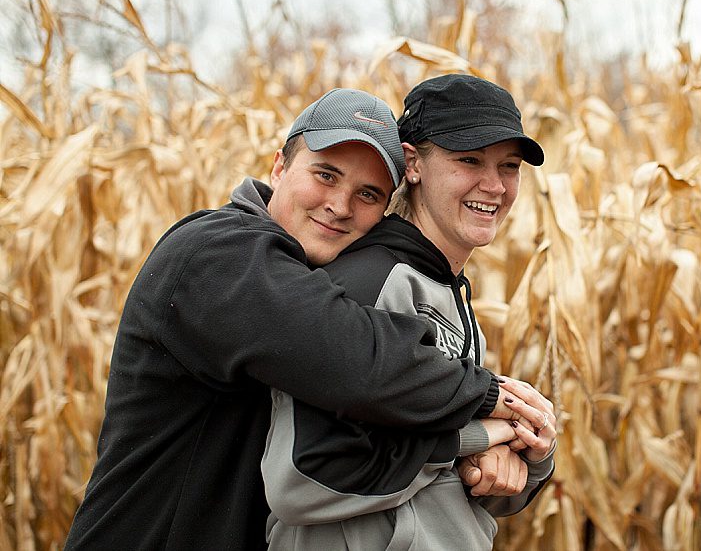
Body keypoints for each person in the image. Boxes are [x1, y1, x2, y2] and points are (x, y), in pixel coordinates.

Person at [64, 88, 528, 551]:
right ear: (279, 166)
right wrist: (489, 402)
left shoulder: (306, 274)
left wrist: (497, 445)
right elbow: (357, 357)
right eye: (325, 175)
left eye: (368, 194)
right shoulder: (218, 253)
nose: (340, 205)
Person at [262, 75, 557, 550]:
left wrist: (526, 456)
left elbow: (456, 493)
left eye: (509, 165)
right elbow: (301, 481)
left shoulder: (448, 291)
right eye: (469, 160)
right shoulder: (365, 286)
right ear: (414, 163)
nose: (494, 185)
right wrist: (475, 439)